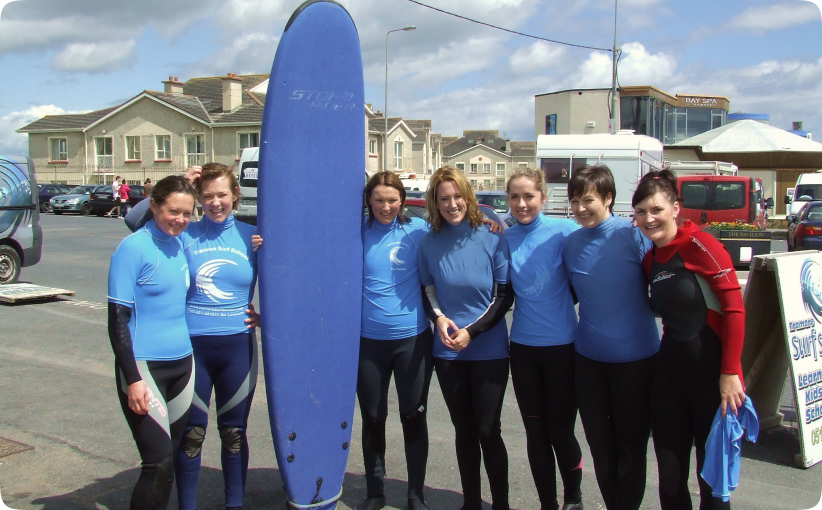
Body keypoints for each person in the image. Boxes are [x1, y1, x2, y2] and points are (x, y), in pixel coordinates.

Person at [125, 164, 260, 510]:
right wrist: (181, 182)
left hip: (237, 348)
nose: (216, 203)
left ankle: (235, 504)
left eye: (223, 195)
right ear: (199, 198)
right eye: (208, 195)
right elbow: (133, 221)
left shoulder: (254, 236)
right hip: (192, 350)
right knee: (191, 436)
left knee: (233, 434)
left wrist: (268, 315)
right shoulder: (184, 232)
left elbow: (288, 280)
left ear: (235, 196)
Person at [631, 170, 746, 510]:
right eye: (641, 211)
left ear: (676, 208)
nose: (649, 218)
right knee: (669, 477)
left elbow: (735, 310)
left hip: (712, 378)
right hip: (669, 378)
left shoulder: (701, 245)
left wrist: (730, 373)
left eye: (656, 209)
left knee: (711, 480)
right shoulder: (651, 259)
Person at [562, 164, 659, 510]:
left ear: (609, 198)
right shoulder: (570, 243)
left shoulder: (634, 234)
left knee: (631, 449)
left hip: (637, 361)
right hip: (589, 361)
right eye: (574, 201)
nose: (580, 208)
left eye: (588, 200)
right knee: (601, 447)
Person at [417, 166, 513, 510]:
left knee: (488, 430)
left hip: (488, 349)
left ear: (468, 197)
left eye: (458, 196)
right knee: (464, 431)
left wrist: (472, 332)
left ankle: (500, 504)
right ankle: (471, 503)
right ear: (435, 202)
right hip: (448, 353)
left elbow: (503, 297)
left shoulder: (492, 235)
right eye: (445, 198)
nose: (452, 204)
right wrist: (440, 319)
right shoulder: (429, 242)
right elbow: (428, 290)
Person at [107, 175, 196, 510]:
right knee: (156, 460)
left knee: (169, 458)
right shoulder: (133, 248)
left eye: (188, 213)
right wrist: (133, 379)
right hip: (144, 368)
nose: (180, 220)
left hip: (183, 365)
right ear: (154, 206)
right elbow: (117, 320)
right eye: (173, 211)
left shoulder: (180, 243)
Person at [354, 171, 434, 510]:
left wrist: (493, 225)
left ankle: (415, 495)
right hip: (368, 344)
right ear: (368, 200)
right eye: (379, 199)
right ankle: (375, 492)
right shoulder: (355, 233)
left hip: (412, 341)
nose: (385, 206)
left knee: (413, 417)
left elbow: (458, 234)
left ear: (402, 200)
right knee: (373, 419)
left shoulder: (418, 231)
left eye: (392, 200)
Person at [504, 168, 583, 510]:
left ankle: (573, 498)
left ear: (543, 196)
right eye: (514, 198)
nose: (522, 204)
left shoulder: (565, 231)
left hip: (563, 348)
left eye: (529, 196)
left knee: (561, 431)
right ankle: (547, 503)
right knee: (535, 434)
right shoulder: (503, 237)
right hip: (523, 350)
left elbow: (583, 279)